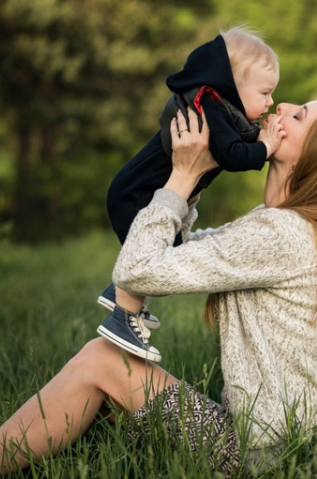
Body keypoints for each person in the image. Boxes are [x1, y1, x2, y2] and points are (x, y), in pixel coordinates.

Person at [0, 98, 317, 477]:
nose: (283, 106)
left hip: (263, 462)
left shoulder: (280, 234)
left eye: (300, 114)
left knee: (103, 359)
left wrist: (183, 176)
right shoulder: (291, 230)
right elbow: (180, 249)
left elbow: (138, 270)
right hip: (288, 450)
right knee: (104, 397)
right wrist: (200, 172)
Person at [96, 26, 284, 363]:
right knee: (156, 259)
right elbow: (233, 155)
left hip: (137, 191)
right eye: (265, 93)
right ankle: (123, 317)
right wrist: (267, 146)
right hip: (135, 195)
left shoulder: (217, 106)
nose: (270, 102)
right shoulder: (210, 103)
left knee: (169, 251)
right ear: (233, 87)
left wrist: (258, 137)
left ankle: (120, 293)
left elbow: (234, 141)